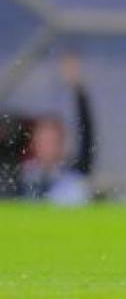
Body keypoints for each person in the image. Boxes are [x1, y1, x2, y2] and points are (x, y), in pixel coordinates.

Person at [19, 54, 94, 205]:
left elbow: (88, 136)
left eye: (52, 141)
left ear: (61, 144)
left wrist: (77, 88)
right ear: (34, 142)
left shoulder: (73, 174)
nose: (47, 146)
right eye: (43, 140)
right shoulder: (23, 175)